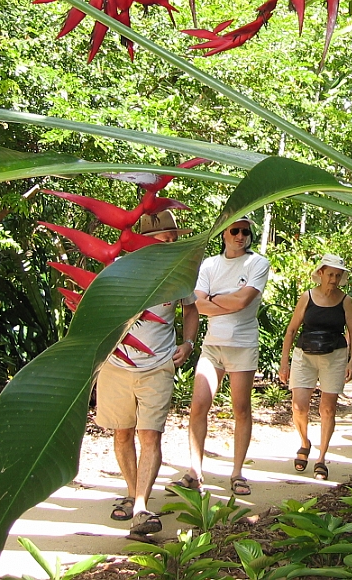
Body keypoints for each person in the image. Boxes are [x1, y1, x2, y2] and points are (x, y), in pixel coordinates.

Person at [94, 210, 198, 540]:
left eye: (173, 237)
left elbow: (190, 308)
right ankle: (131, 490)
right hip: (117, 366)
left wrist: (188, 342)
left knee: (150, 434)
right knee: (123, 433)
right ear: (143, 241)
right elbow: (96, 311)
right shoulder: (120, 269)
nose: (171, 242)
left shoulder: (179, 272)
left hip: (158, 365)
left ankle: (140, 506)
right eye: (164, 237)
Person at [173, 217, 270, 497]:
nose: (241, 236)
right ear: (224, 234)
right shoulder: (209, 265)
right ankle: (195, 472)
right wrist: (226, 301)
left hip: (242, 344)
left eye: (246, 232)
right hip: (212, 345)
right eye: (235, 231)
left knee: (241, 408)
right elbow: (197, 306)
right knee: (199, 405)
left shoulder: (257, 264)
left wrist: (215, 300)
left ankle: (237, 472)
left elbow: (243, 301)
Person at [278, 253, 352, 481]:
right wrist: (285, 362)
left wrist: (351, 361)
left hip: (334, 355)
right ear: (321, 273)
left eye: (337, 275)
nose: (333, 279)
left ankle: (321, 458)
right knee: (299, 406)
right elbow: (291, 330)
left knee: (327, 409)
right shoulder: (307, 297)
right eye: (330, 274)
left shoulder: (345, 301)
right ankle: (305, 442)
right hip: (305, 354)